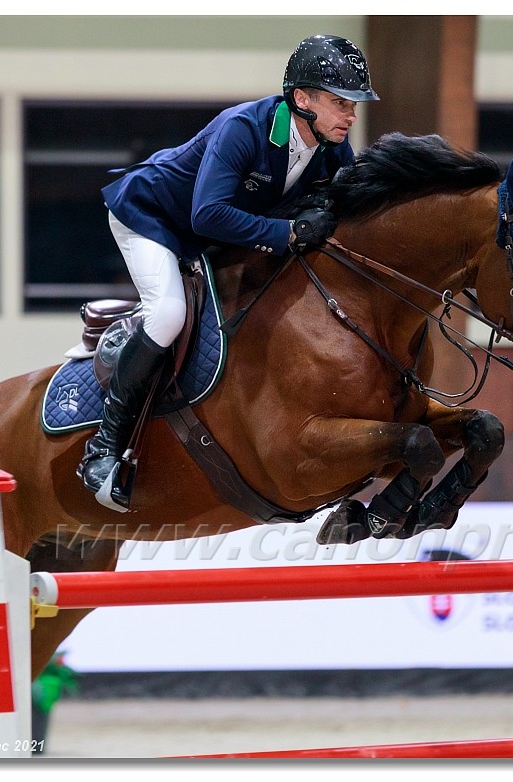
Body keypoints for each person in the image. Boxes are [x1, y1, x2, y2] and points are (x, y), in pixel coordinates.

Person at [77, 34, 379, 508]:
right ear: (301, 99)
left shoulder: (332, 149)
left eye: (353, 105)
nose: (351, 116)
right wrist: (291, 234)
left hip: (214, 235)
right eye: (341, 103)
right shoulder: (244, 128)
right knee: (168, 315)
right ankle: (104, 448)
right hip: (154, 218)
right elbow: (207, 214)